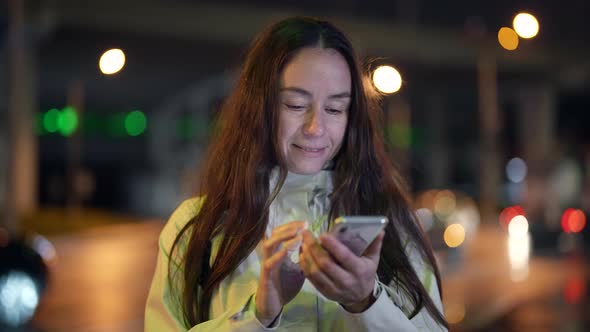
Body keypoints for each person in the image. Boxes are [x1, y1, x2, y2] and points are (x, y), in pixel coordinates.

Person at [145, 16, 448, 331]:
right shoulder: (197, 227)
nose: (315, 128)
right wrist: (258, 316)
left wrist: (366, 302)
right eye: (295, 105)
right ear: (258, 107)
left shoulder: (391, 220)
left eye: (334, 109)